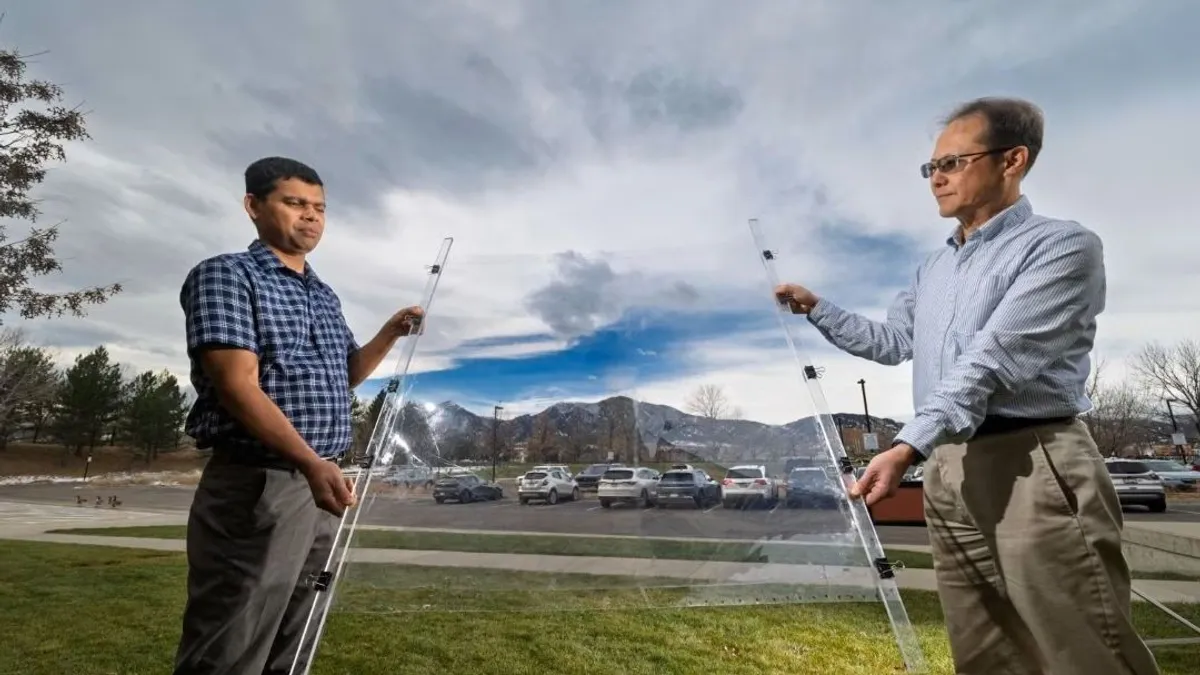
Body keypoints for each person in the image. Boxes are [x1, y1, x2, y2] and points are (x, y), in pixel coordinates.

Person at [775, 98, 1160, 675]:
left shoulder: (1061, 246)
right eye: (931, 167)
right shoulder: (933, 268)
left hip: (1032, 462)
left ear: (1013, 160)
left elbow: (994, 359)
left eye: (952, 163)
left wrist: (908, 445)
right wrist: (818, 308)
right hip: (947, 466)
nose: (937, 178)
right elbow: (892, 342)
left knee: (1082, 649)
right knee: (985, 652)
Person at [173, 156, 424, 675]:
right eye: (295, 203)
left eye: (320, 208)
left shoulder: (323, 295)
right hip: (258, 485)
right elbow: (237, 386)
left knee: (295, 637)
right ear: (253, 206)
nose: (311, 216)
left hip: (323, 485)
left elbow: (344, 375)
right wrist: (311, 463)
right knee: (232, 639)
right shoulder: (226, 275)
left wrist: (389, 334)